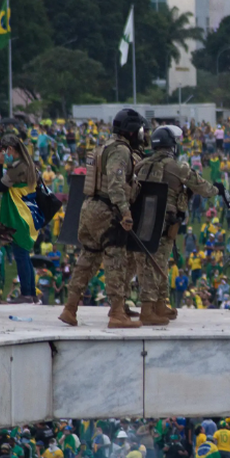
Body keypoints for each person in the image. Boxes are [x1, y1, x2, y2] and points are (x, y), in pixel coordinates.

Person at [59, 108, 146, 328]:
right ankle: (117, 313)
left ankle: (70, 308)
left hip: (89, 207)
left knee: (87, 259)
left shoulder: (103, 146)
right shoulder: (120, 151)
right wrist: (125, 212)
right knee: (115, 261)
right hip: (107, 210)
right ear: (131, 131)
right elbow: (116, 185)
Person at [133, 125, 220, 325]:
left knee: (154, 263)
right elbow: (203, 188)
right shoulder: (178, 167)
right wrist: (216, 190)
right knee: (156, 265)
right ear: (171, 146)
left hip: (141, 223)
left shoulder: (141, 165)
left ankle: (160, 304)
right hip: (163, 223)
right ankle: (147, 310)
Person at [0, 131, 40, 304]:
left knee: (20, 255)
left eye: (4, 150)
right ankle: (31, 293)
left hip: (19, 216)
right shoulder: (29, 164)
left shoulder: (17, 168)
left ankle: (26, 294)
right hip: (29, 214)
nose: (3, 153)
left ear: (11, 149)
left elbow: (1, 186)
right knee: (25, 255)